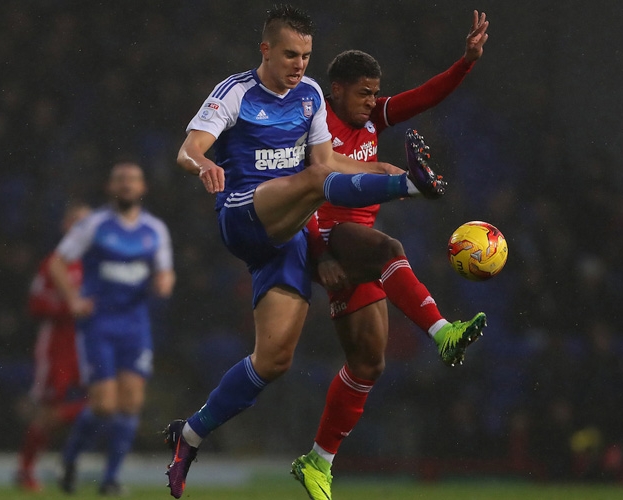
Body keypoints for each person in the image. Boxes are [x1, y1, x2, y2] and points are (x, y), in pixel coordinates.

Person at [162, 5, 467, 498]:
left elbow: (329, 162)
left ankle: (190, 434)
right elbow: (189, 147)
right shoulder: (236, 92)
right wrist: (202, 166)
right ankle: (414, 191)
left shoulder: (309, 97)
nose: (299, 64)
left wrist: (384, 169)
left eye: (306, 55)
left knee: (273, 361)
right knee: (314, 180)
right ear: (265, 50)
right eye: (289, 54)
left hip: (285, 239)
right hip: (244, 213)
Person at [290, 11, 490, 499]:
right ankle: (443, 333)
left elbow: (424, 96)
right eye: (363, 93)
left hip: (353, 243)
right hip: (325, 233)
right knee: (389, 248)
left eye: (376, 93)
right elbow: (299, 193)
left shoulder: (374, 117)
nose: (372, 102)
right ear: (336, 90)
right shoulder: (316, 125)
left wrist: (465, 62)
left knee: (367, 363)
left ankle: (318, 461)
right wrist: (318, 255)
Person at [51, 162, 175, 496]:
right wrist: (74, 300)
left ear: (142, 188)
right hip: (99, 324)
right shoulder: (93, 225)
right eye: (120, 180)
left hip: (135, 324)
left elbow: (165, 271)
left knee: (131, 403)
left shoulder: (155, 230)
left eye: (132, 180)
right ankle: (71, 460)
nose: (126, 185)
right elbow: (57, 262)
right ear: (110, 187)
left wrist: (164, 282)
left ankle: (110, 480)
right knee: (104, 405)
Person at [15, 203, 91, 492]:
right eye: (77, 223)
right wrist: (70, 307)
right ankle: (26, 468)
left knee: (102, 402)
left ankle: (68, 460)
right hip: (58, 344)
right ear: (65, 226)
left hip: (90, 344)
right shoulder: (54, 263)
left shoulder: (96, 263)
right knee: (49, 410)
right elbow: (35, 304)